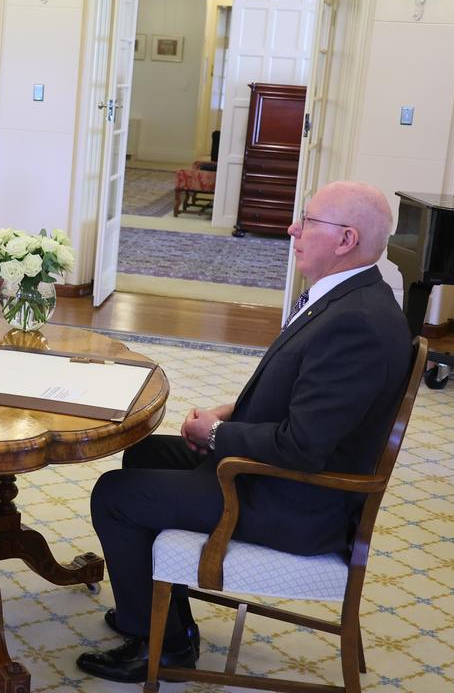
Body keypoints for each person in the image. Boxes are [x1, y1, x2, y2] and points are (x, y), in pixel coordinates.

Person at [77, 180, 412, 684]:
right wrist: (228, 414)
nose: (292, 228)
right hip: (277, 476)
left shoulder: (358, 323)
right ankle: (162, 614)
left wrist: (216, 437)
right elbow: (305, 395)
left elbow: (302, 446)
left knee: (114, 495)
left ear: (346, 240)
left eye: (308, 221)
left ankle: (163, 645)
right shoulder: (351, 296)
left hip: (296, 500)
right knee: (143, 456)